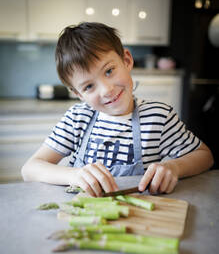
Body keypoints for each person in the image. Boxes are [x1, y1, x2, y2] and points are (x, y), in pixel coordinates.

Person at [21, 22, 214, 197]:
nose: (106, 90)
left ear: (127, 60)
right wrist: (75, 175)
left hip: (139, 220)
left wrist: (174, 167)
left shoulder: (158, 117)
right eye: (89, 86)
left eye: (109, 71)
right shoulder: (77, 119)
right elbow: (30, 169)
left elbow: (205, 156)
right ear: (78, 94)